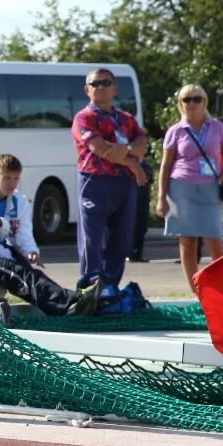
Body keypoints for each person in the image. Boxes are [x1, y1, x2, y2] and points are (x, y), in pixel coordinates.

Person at [71, 67, 148, 298]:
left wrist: (125, 150)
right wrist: (133, 162)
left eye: (106, 83)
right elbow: (100, 149)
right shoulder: (84, 117)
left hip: (123, 184)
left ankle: (110, 288)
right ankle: (90, 288)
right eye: (95, 84)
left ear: (114, 88)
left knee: (121, 239)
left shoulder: (126, 119)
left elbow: (142, 144)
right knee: (92, 240)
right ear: (87, 90)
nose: (101, 87)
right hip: (95, 182)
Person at [0, 154, 74, 320]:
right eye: (7, 178)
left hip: (6, 253)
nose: (12, 183)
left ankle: (66, 302)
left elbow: (23, 230)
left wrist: (30, 251)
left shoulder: (19, 199)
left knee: (31, 274)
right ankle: (65, 303)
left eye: (16, 178)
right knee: (19, 276)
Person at [157, 84, 223, 291]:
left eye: (196, 99)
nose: (191, 103)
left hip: (210, 189)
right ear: (180, 104)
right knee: (187, 242)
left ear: (204, 101)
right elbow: (165, 165)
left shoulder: (217, 127)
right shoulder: (175, 131)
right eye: (186, 99)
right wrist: (161, 197)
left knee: (214, 242)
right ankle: (197, 292)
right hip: (182, 188)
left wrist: (221, 179)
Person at [129, 156, 154, 263]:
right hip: (132, 200)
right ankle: (130, 253)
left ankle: (138, 254)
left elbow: (150, 180)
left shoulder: (146, 166)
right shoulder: (129, 164)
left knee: (141, 229)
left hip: (143, 201)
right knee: (131, 229)